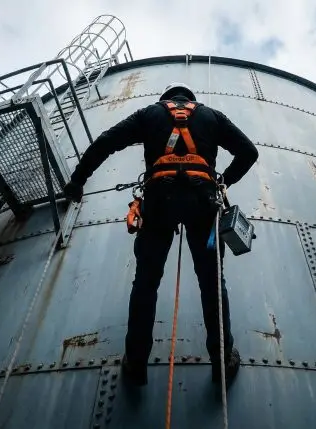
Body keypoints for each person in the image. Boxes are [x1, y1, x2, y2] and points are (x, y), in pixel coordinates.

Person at [62, 82, 258, 387]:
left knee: (146, 283)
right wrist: (223, 181)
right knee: (211, 284)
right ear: (191, 99)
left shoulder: (149, 114)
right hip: (203, 203)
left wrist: (77, 181)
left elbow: (106, 142)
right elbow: (249, 152)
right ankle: (222, 359)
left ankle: (136, 362)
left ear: (165, 98)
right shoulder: (212, 117)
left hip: (158, 202)